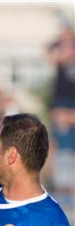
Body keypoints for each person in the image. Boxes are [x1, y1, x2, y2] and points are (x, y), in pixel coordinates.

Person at [47, 25, 75, 193]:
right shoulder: (60, 65)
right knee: (62, 148)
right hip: (62, 104)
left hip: (68, 107)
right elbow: (51, 54)